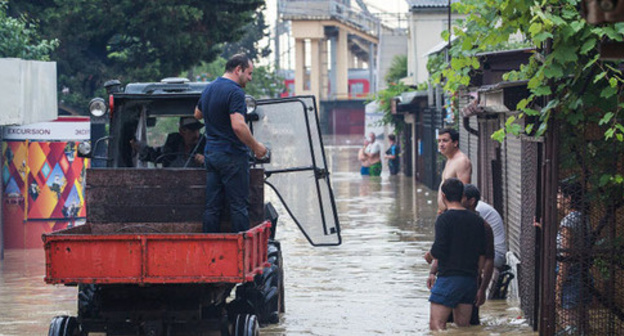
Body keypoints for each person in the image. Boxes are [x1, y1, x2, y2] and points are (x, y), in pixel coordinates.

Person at [194, 53, 267, 233]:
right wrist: (256, 147)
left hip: (211, 155)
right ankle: (241, 250)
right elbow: (238, 126)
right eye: (249, 73)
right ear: (238, 70)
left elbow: (197, 114)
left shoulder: (209, 88)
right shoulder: (235, 92)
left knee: (212, 206)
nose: (249, 78)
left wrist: (215, 116)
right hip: (232, 156)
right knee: (238, 206)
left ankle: (209, 246)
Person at [425, 183, 495, 326]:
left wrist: (429, 255)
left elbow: (440, 248)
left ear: (443, 196)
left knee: (436, 325)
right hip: (469, 282)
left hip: (448, 279)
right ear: (462, 196)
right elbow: (483, 256)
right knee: (463, 328)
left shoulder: (444, 218)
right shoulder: (479, 222)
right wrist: (477, 282)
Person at [131, 117, 206, 168]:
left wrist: (206, 161)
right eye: (192, 131)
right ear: (182, 131)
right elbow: (156, 155)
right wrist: (138, 147)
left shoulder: (206, 145)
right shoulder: (173, 144)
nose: (196, 135)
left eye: (198, 130)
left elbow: (216, 163)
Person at [437, 128, 472, 214]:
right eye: (439, 141)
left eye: (445, 141)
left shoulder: (461, 161)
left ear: (455, 143)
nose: (441, 144)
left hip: (454, 214)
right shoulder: (450, 159)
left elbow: (464, 193)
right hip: (446, 212)